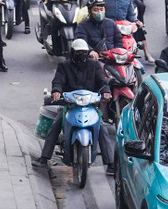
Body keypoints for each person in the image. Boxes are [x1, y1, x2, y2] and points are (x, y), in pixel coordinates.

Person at [38, 39, 114, 167]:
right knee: (56, 124)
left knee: (101, 128)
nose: (81, 55)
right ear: (73, 52)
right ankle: (44, 158)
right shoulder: (64, 66)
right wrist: (56, 91)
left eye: (84, 52)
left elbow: (102, 80)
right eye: (78, 52)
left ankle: (110, 163)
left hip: (90, 105)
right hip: (70, 105)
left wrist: (106, 91)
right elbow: (58, 81)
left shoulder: (94, 65)